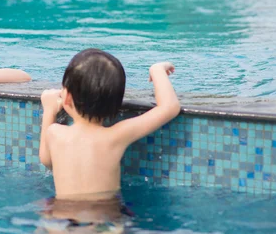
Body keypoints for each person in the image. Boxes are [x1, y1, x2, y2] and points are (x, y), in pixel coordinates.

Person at [39, 48, 180, 200]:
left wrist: (49, 110)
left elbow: (47, 160)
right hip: (104, 216)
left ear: (66, 97)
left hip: (62, 216)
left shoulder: (55, 132)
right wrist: (157, 71)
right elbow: (169, 107)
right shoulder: (115, 136)